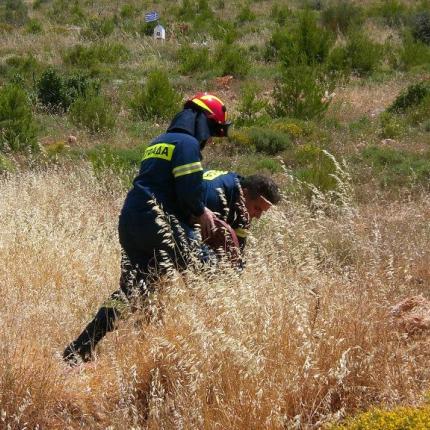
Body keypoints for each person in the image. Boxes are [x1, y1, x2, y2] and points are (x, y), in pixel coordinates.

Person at [63, 92, 231, 365]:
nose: (210, 139)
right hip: (158, 222)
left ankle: (80, 347)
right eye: (212, 131)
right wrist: (202, 212)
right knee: (211, 271)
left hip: (131, 222)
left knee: (129, 292)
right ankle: (214, 356)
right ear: (204, 123)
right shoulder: (187, 144)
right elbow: (189, 193)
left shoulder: (159, 142)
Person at [201, 170, 281, 254]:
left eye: (262, 211)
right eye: (257, 208)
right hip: (189, 208)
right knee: (207, 257)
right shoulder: (214, 197)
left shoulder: (243, 189)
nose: (258, 216)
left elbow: (238, 248)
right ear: (244, 194)